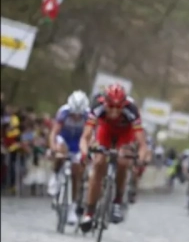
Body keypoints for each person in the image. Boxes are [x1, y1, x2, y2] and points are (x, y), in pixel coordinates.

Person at [78, 84, 148, 231]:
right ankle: (89, 213)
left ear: (124, 104)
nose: (115, 111)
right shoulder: (97, 105)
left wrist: (140, 161)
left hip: (125, 134)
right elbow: (85, 137)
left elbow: (142, 144)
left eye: (119, 107)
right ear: (105, 102)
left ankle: (117, 201)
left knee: (123, 160)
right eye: (110, 106)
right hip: (106, 131)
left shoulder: (132, 110)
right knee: (98, 163)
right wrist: (85, 153)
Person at [47, 91, 90, 224]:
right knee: (60, 151)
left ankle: (72, 207)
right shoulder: (64, 112)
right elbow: (54, 133)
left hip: (78, 142)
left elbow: (91, 136)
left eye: (79, 115)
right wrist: (53, 148)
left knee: (77, 173)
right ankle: (54, 176)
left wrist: (88, 152)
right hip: (64, 139)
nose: (76, 117)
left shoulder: (88, 116)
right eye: (74, 114)